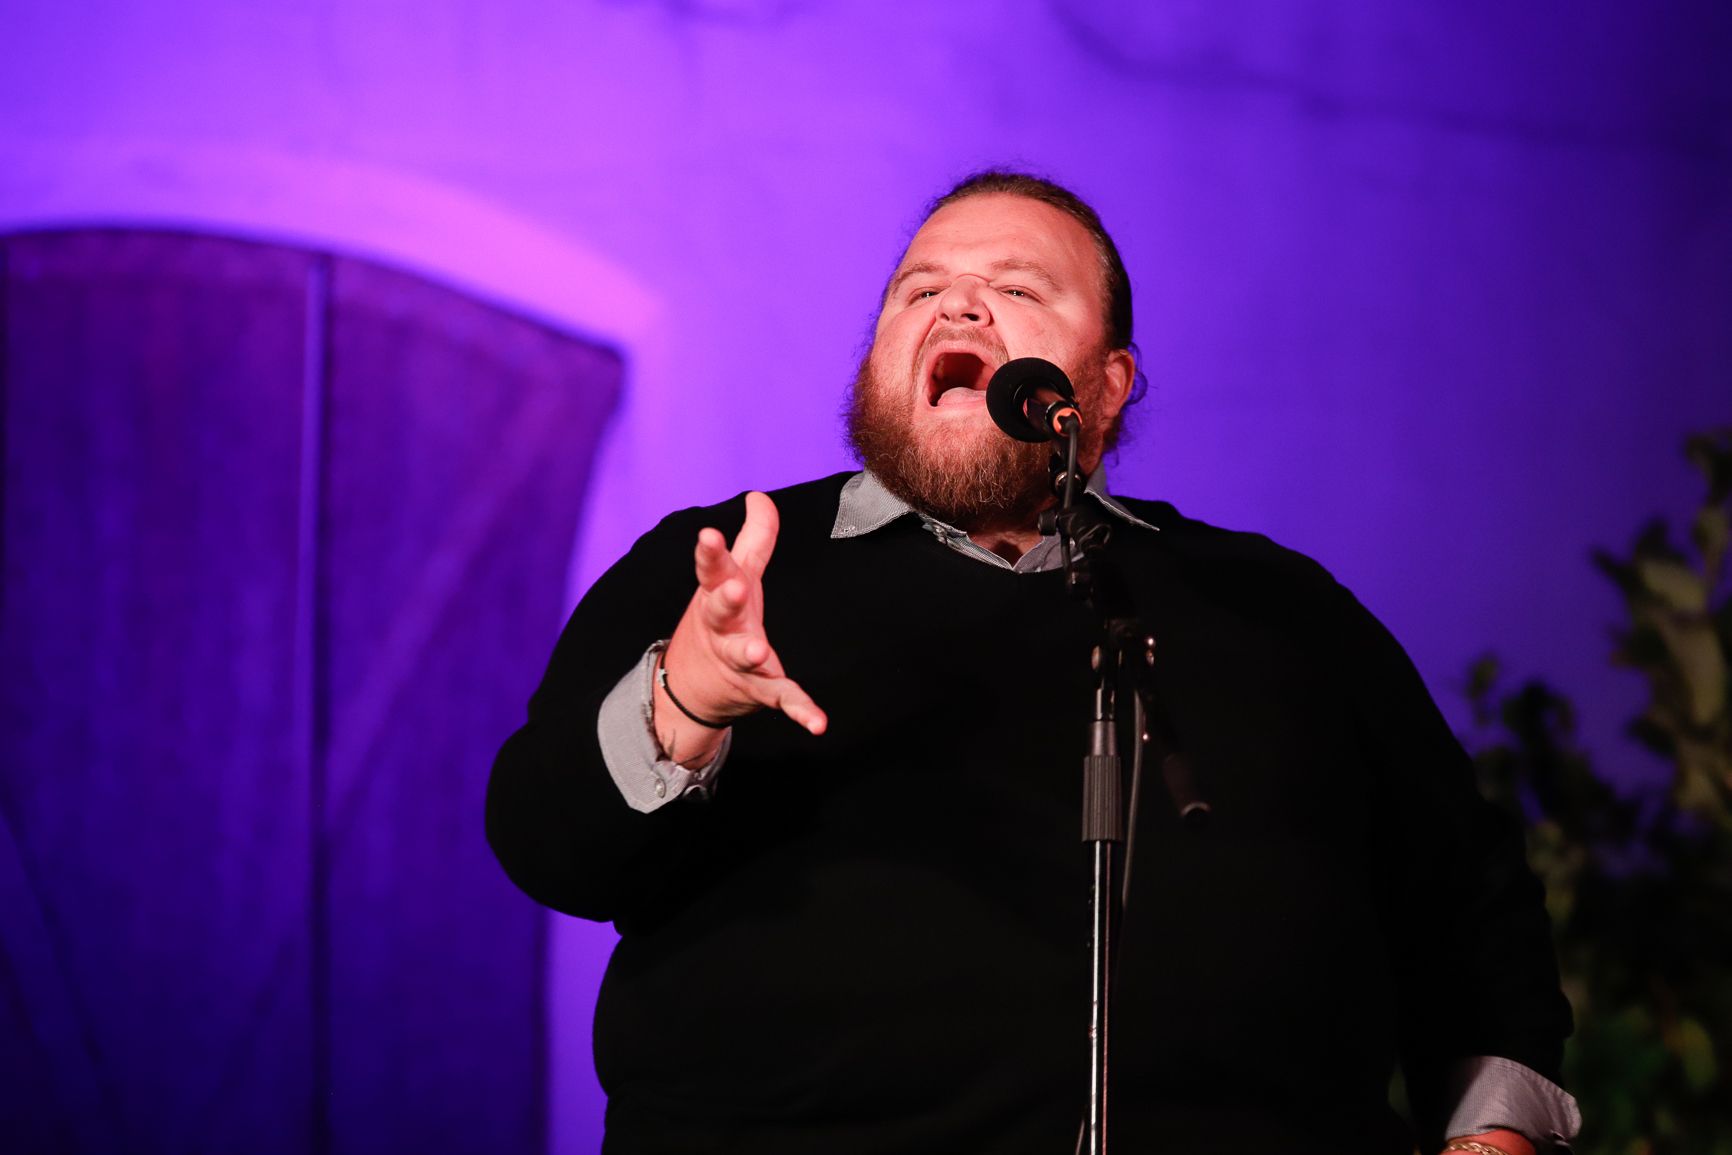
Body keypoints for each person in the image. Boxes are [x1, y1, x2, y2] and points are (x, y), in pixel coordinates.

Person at [486, 171, 1580, 1154]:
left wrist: (1493, 1135)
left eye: (1017, 288)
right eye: (918, 291)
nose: (956, 305)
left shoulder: (1277, 605)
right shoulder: (733, 566)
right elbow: (547, 846)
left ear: (1104, 389)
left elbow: (1466, 898)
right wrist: (690, 698)